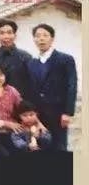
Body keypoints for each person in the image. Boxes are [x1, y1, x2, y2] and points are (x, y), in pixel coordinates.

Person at [27, 23, 77, 151]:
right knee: (41, 147)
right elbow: (31, 89)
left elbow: (71, 85)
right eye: (37, 36)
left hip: (58, 112)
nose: (41, 39)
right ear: (34, 39)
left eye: (45, 35)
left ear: (52, 38)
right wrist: (32, 114)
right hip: (39, 114)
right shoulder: (32, 63)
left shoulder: (65, 59)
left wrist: (67, 112)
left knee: (59, 147)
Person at [0, 19, 32, 98]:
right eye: (2, 33)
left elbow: (31, 84)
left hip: (20, 101)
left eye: (9, 33)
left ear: (15, 35)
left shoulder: (25, 57)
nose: (6, 36)